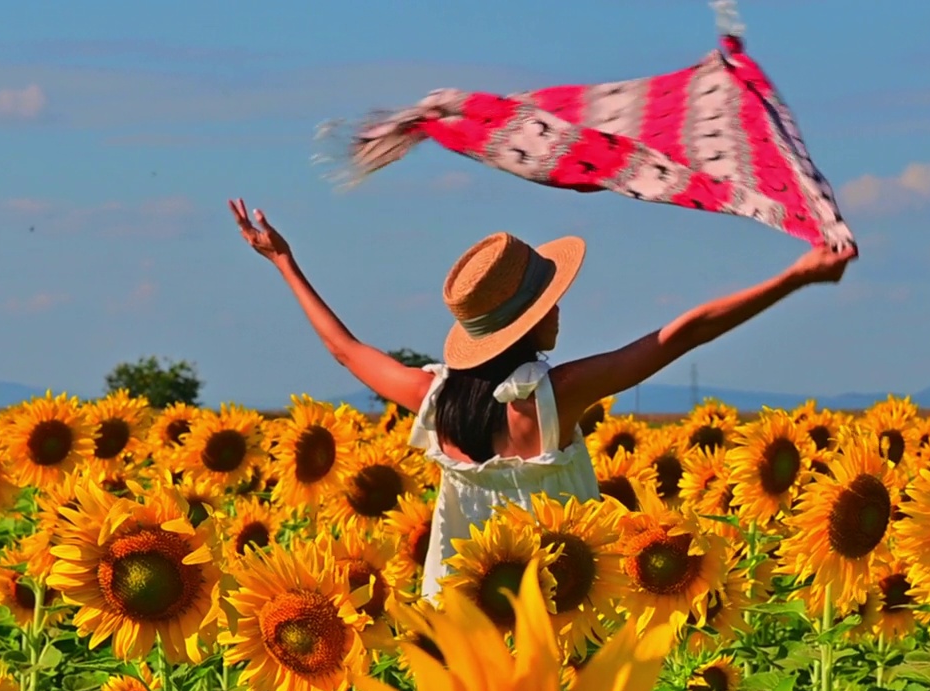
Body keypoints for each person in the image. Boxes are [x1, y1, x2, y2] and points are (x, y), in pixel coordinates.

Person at [227, 198, 856, 600]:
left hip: (456, 616)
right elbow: (680, 335)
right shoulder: (554, 397)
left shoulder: (433, 395)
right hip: (556, 612)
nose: (561, 306)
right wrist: (794, 277)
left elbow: (346, 351)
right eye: (550, 299)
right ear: (528, 320)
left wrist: (284, 262)